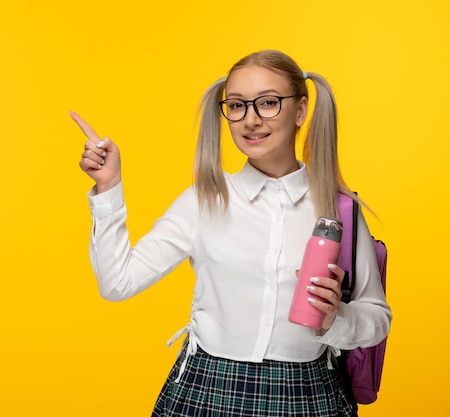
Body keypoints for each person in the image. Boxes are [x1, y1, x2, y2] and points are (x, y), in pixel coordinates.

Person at [71, 50, 391, 417]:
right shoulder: (204, 200)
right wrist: (108, 189)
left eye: (268, 103)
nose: (251, 120)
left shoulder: (339, 211)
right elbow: (117, 283)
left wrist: (337, 319)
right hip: (208, 389)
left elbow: (377, 319)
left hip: (309, 393)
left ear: (301, 110)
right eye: (237, 106)